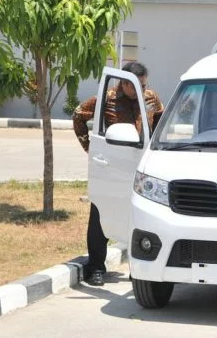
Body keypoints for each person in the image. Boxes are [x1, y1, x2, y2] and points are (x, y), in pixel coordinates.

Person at [72, 62, 164, 286]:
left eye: (144, 85)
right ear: (124, 83)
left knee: (141, 216)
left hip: (142, 165)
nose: (142, 90)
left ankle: (139, 267)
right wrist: (91, 148)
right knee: (101, 214)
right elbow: (78, 116)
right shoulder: (107, 98)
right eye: (137, 86)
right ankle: (96, 267)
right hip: (112, 166)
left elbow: (160, 124)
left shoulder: (150, 97)